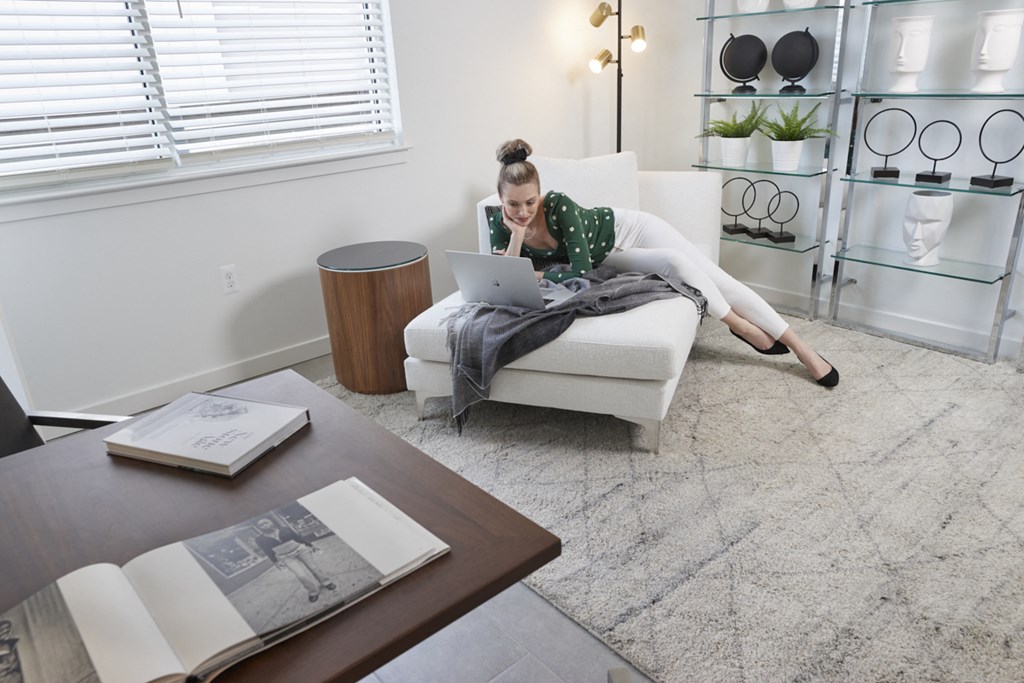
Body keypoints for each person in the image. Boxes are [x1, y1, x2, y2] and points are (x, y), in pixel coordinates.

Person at [488, 139, 838, 387]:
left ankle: (798, 346)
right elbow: (507, 281)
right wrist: (518, 238)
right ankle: (742, 326)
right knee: (673, 262)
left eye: (530, 202)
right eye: (513, 205)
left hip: (630, 231)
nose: (523, 212)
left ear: (541, 193)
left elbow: (581, 271)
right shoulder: (499, 223)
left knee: (710, 274)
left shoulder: (558, 205)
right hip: (610, 257)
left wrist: (535, 270)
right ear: (500, 199)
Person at [253, 517, 337, 603]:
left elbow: (298, 538)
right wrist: (275, 562)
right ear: (259, 528)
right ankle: (313, 592)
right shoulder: (260, 540)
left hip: (301, 550)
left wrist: (311, 545)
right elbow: (267, 551)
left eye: (266, 522)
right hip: (286, 557)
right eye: (261, 525)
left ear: (271, 522)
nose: (265, 525)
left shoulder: (285, 529)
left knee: (314, 568)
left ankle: (326, 582)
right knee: (301, 575)